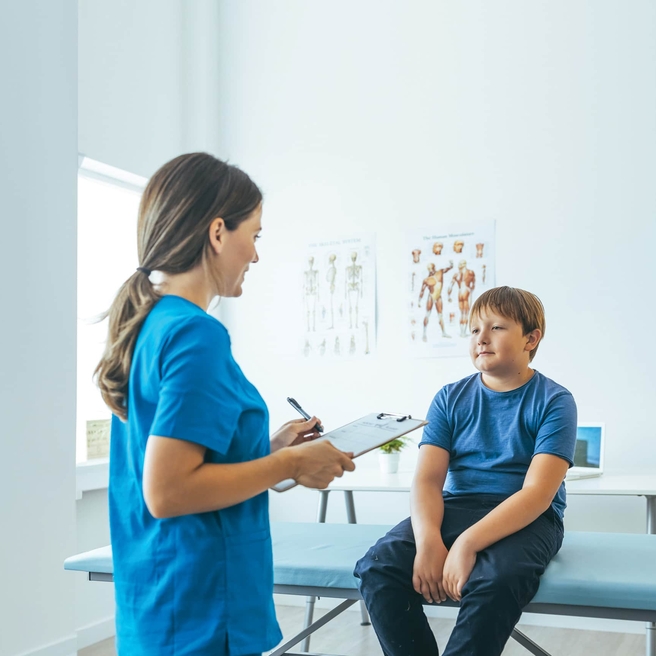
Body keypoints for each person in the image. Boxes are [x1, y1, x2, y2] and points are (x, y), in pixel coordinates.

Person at [94, 152, 355, 656]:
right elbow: (167, 491)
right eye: (254, 236)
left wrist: (269, 445)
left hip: (162, 601)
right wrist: (291, 462)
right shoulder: (196, 335)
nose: (255, 255)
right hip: (198, 608)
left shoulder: (152, 326)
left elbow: (184, 458)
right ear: (218, 233)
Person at [355, 286, 577, 656]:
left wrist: (465, 543)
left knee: (496, 580)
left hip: (529, 517)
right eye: (474, 330)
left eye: (497, 327)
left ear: (531, 338)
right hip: (459, 504)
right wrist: (429, 543)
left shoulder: (555, 400)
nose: (481, 338)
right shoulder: (449, 398)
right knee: (377, 569)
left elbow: (537, 494)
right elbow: (427, 481)